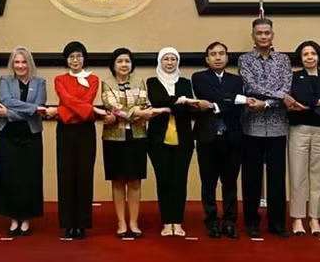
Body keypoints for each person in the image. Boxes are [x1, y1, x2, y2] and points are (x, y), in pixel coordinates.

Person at [238, 17, 292, 238]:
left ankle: (277, 222)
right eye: (259, 33)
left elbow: (287, 85)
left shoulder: (284, 60)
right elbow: (252, 86)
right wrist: (281, 96)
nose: (263, 36)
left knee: (277, 177)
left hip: (278, 126)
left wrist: (269, 102)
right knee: (251, 177)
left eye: (267, 33)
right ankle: (251, 222)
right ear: (253, 36)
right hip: (252, 125)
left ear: (272, 35)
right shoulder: (245, 59)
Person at [147, 47, 209, 237]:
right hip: (158, 139)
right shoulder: (152, 82)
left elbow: (186, 111)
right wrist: (182, 101)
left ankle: (178, 221)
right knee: (164, 179)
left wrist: (173, 105)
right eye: (166, 59)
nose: (169, 62)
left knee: (180, 180)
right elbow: (157, 100)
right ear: (160, 61)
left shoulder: (184, 82)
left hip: (183, 139)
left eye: (173, 59)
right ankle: (167, 222)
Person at [0, 47, 49, 236]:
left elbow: (34, 106)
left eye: (24, 62)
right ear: (12, 64)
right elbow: (7, 100)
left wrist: (9, 113)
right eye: (17, 62)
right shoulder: (5, 81)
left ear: (29, 63)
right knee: (10, 177)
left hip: (30, 136)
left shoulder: (40, 82)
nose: (20, 66)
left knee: (29, 178)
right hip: (8, 135)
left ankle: (26, 218)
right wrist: (32, 109)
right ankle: (13, 217)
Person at [282, 40, 320, 237]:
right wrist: (319, 102)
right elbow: (297, 100)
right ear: (301, 57)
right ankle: (297, 219)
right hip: (299, 129)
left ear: (319, 56)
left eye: (313, 53)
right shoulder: (293, 77)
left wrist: (310, 104)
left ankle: (315, 218)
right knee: (298, 175)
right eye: (305, 54)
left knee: (319, 177)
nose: (309, 57)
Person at [191, 41, 246, 239]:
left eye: (221, 53)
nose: (217, 57)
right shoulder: (199, 77)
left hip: (232, 137)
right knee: (209, 183)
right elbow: (208, 95)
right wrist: (229, 100)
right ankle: (211, 221)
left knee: (230, 182)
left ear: (227, 57)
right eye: (213, 54)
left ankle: (230, 221)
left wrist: (215, 105)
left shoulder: (237, 80)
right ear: (207, 59)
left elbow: (236, 105)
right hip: (208, 137)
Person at [51, 41, 103, 240]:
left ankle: (81, 224)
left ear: (84, 58)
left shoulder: (93, 78)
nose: (75, 60)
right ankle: (67, 224)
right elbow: (69, 100)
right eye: (71, 56)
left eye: (79, 56)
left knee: (84, 176)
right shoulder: (59, 79)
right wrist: (90, 111)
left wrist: (64, 111)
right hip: (65, 131)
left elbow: (84, 102)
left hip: (85, 131)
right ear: (66, 60)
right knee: (65, 176)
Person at [100, 48, 152, 239]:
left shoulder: (140, 82)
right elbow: (113, 107)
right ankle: (121, 222)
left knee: (135, 181)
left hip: (138, 137)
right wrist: (137, 113)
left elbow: (145, 104)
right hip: (114, 138)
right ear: (113, 65)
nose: (124, 64)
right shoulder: (106, 83)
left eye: (127, 61)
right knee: (118, 180)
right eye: (120, 61)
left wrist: (133, 112)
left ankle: (134, 222)